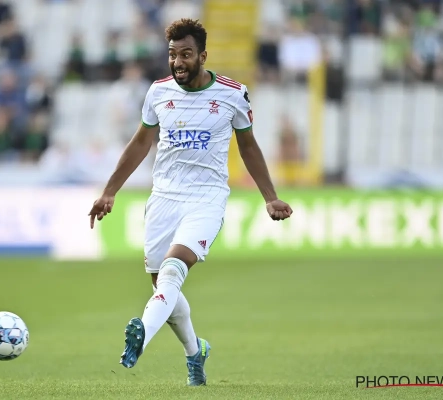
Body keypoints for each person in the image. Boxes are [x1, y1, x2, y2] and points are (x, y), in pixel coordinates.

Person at [87, 18, 293, 386]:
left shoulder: (233, 94)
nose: (178, 62)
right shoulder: (158, 92)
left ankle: (141, 336)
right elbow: (140, 142)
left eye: (185, 54)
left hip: (206, 199)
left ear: (203, 56)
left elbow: (248, 146)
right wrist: (110, 191)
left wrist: (270, 197)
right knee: (163, 288)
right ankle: (195, 352)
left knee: (173, 270)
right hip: (163, 198)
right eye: (172, 55)